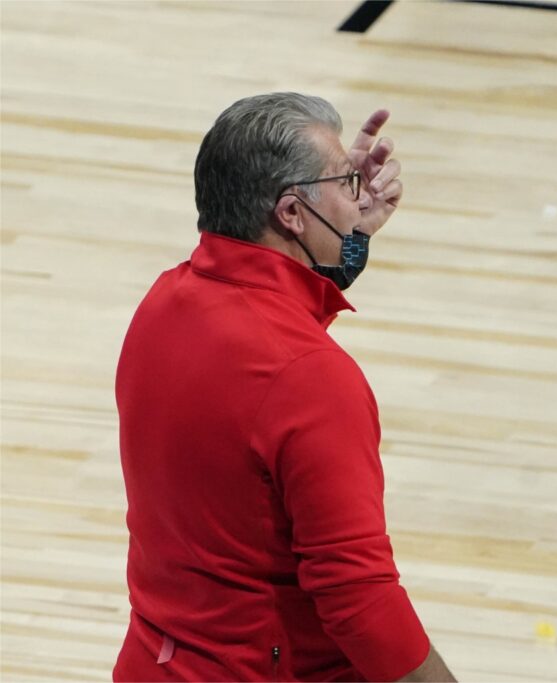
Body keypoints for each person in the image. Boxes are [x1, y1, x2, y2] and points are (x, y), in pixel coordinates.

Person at [113, 93, 456, 682]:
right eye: (346, 181)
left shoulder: (163, 304)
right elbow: (360, 600)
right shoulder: (310, 378)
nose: (358, 195)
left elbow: (263, 363)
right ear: (292, 213)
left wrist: (343, 233)